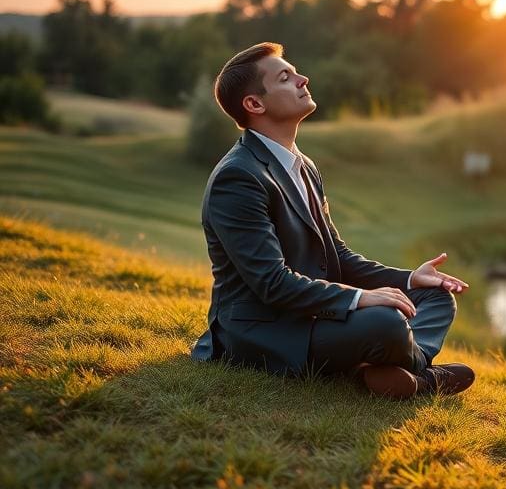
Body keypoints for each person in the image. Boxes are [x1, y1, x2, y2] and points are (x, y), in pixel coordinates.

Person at [189, 42, 475, 399]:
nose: (302, 78)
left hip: (316, 317)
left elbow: (335, 255)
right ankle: (423, 379)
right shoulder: (239, 178)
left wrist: (409, 278)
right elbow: (272, 283)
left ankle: (391, 369)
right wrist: (359, 298)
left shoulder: (302, 165)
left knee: (435, 296)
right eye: (285, 77)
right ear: (255, 104)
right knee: (385, 321)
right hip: (264, 332)